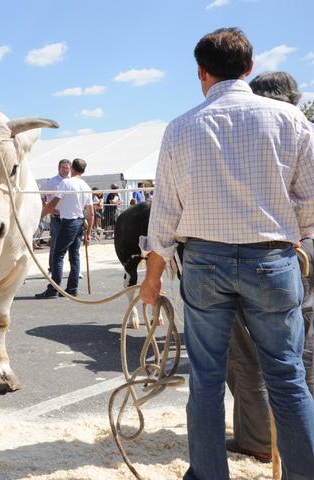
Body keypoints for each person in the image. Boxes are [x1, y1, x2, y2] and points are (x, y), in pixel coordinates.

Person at [139, 28, 314, 480]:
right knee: (288, 379)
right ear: (250, 68)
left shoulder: (180, 128)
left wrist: (153, 277)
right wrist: (292, 237)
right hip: (272, 260)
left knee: (207, 380)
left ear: (200, 71)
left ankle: (208, 475)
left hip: (205, 264)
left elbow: (165, 215)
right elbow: (310, 200)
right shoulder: (292, 121)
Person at [225, 71, 314, 464]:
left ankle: (258, 437)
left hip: (270, 250)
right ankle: (300, 440)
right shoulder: (305, 128)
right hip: (304, 244)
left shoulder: (247, 135)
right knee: (302, 348)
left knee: (244, 346)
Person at [35, 158, 94, 298]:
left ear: (72, 168)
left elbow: (52, 204)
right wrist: (89, 233)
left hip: (69, 223)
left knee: (58, 256)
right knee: (75, 256)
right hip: (80, 222)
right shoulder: (86, 186)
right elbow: (91, 212)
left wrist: (39, 216)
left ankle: (53, 289)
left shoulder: (65, 183)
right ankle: (72, 288)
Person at [40, 159, 71, 273]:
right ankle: (52, 269)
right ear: (59, 168)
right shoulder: (52, 182)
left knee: (72, 245)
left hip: (70, 218)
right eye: (63, 167)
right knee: (55, 244)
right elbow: (41, 194)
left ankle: (74, 270)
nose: (65, 170)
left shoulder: (72, 181)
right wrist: (49, 209)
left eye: (67, 168)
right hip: (57, 218)